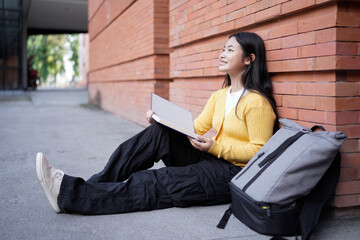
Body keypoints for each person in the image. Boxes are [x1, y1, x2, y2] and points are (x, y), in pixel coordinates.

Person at [36, 32, 278, 215]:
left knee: (156, 181)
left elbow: (260, 152)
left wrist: (215, 147)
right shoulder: (220, 96)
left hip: (233, 175)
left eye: (229, 50)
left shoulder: (256, 103)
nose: (222, 54)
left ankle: (72, 195)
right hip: (211, 159)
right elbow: (195, 128)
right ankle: (87, 189)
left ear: (249, 59)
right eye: (222, 49)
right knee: (158, 133)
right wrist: (163, 120)